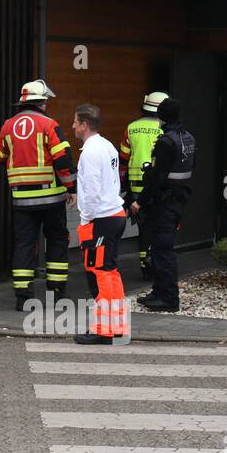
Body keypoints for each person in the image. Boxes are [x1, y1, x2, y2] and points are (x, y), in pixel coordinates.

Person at [0, 80, 76, 310]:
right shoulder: (49, 124)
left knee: (24, 243)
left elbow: (0, 155)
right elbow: (63, 159)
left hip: (21, 198)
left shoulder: (7, 126)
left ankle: (23, 297)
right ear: (42, 102)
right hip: (51, 198)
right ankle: (57, 294)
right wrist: (71, 189)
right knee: (58, 240)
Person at [70, 103, 129, 345]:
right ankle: (117, 327)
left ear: (84, 124)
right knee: (110, 273)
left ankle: (103, 331)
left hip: (100, 220)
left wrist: (87, 220)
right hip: (114, 215)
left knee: (100, 275)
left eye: (75, 122)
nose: (72, 126)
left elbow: (92, 192)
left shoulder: (90, 153)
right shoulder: (107, 146)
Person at [134, 97, 196, 313]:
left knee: (162, 250)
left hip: (164, 201)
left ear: (161, 116)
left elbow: (156, 178)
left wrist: (139, 202)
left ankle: (168, 298)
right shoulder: (188, 138)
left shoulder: (166, 142)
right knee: (161, 247)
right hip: (178, 199)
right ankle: (158, 291)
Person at [118, 92, 168, 277]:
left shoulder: (131, 128)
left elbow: (123, 159)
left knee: (144, 227)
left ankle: (144, 265)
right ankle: (156, 262)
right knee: (159, 225)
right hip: (158, 188)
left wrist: (124, 185)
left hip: (136, 187)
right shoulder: (165, 128)